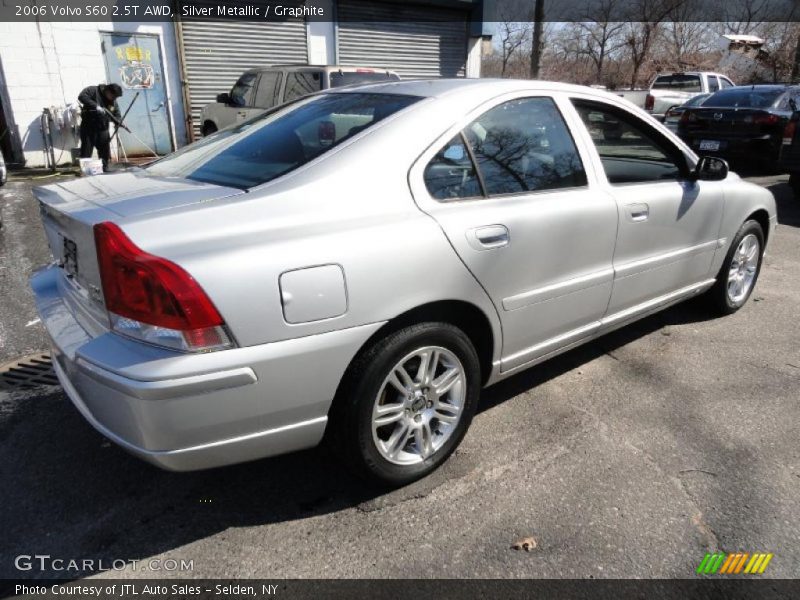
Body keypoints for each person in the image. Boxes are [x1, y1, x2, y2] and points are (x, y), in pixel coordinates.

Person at [78, 83, 124, 172]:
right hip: (88, 127)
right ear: (108, 91)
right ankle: (84, 170)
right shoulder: (93, 90)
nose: (114, 99)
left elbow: (116, 114)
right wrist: (95, 106)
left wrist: (118, 122)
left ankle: (104, 168)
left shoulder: (113, 101)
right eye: (113, 96)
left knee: (104, 150)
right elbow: (82, 96)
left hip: (103, 128)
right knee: (86, 150)